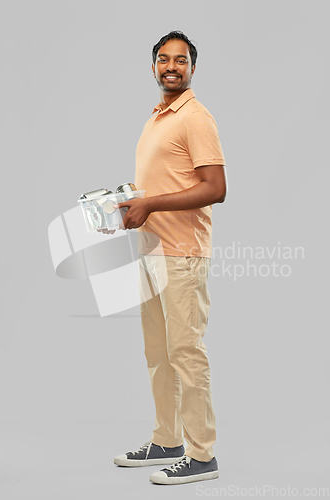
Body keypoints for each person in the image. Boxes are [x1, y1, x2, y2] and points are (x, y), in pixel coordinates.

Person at [113, 31, 227, 485]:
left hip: (183, 255)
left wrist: (152, 204)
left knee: (186, 353)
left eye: (181, 60)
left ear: (193, 68)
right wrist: (130, 201)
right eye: (164, 59)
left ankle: (202, 455)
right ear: (154, 67)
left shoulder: (195, 117)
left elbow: (215, 189)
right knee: (158, 355)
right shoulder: (158, 117)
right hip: (151, 254)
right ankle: (167, 441)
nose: (172, 66)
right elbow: (164, 181)